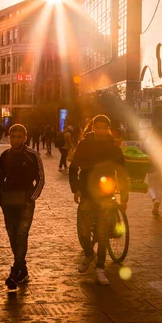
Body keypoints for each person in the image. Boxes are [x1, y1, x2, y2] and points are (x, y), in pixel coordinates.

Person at [69, 114, 128, 286]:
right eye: (98, 127)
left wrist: (124, 198)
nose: (101, 131)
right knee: (84, 232)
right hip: (87, 192)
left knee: (102, 234)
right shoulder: (84, 144)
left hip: (105, 194)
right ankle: (89, 253)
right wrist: (76, 189)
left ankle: (100, 268)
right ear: (93, 127)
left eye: (104, 127)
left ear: (108, 129)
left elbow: (122, 174)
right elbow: (74, 168)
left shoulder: (113, 147)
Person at [0, 124, 45, 291]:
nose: (15, 140)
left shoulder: (32, 155)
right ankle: (22, 269)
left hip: (25, 201)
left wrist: (32, 197)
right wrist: (0, 199)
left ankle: (15, 272)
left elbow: (41, 179)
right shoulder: (5, 155)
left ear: (25, 138)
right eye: (13, 136)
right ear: (9, 137)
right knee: (12, 234)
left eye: (19, 137)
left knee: (21, 234)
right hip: (8, 201)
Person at [145, 124, 162, 216]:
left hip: (152, 167)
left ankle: (154, 199)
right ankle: (157, 208)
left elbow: (147, 154)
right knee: (159, 188)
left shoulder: (149, 142)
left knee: (151, 187)